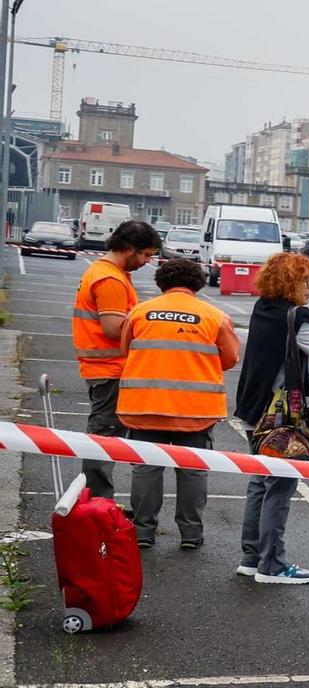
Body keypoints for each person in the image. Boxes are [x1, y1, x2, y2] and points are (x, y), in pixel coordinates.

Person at [118, 256, 239, 549]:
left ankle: (143, 532)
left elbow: (126, 350)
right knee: (192, 471)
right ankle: (191, 535)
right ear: (197, 283)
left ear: (162, 282)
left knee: (146, 469)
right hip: (195, 410)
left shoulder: (139, 312)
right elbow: (230, 358)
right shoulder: (214, 316)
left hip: (144, 406)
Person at [233, 252, 309, 584]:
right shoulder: (297, 316)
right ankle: (272, 565)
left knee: (259, 484)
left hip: (254, 409)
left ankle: (251, 558)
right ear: (291, 282)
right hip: (282, 419)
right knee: (279, 487)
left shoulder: (262, 308)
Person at [70, 219, 161, 506]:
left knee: (104, 437)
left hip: (105, 368)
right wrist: (150, 329)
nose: (147, 262)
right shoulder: (110, 279)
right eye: (145, 254)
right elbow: (112, 327)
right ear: (129, 249)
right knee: (104, 438)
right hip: (110, 369)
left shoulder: (104, 271)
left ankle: (99, 502)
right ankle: (98, 505)